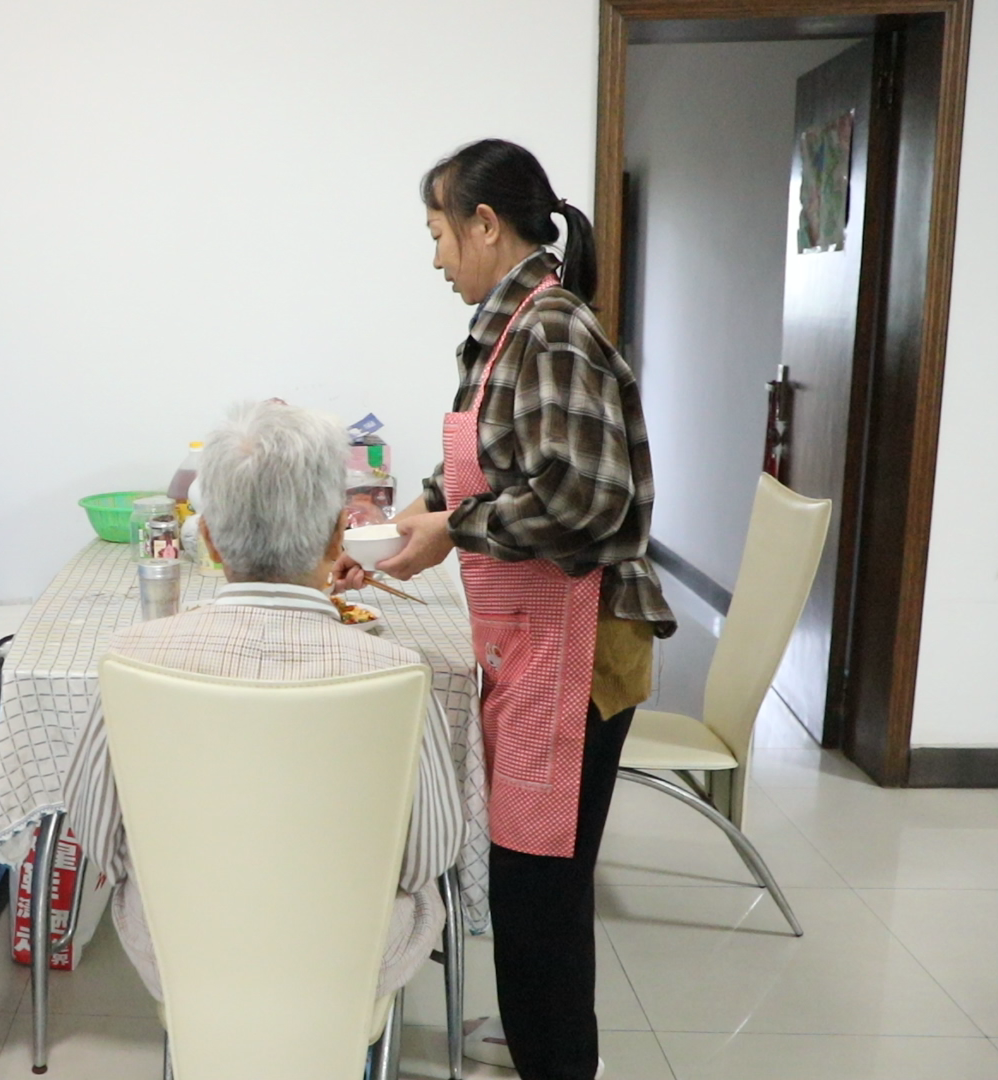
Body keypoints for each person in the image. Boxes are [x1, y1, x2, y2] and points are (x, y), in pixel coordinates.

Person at [336, 139, 675, 1080]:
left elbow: (584, 497)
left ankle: (558, 1058)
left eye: (439, 234)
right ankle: (535, 1038)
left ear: (486, 225)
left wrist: (453, 529)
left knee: (542, 885)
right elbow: (489, 465)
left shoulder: (552, 328)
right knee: (527, 873)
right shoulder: (509, 327)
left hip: (579, 640)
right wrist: (415, 520)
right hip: (536, 637)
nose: (436, 258)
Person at [63, 400, 464, 1003]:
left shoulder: (130, 658)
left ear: (208, 539)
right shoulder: (399, 672)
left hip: (180, 954)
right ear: (338, 536)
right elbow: (427, 854)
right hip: (351, 960)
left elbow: (98, 836)